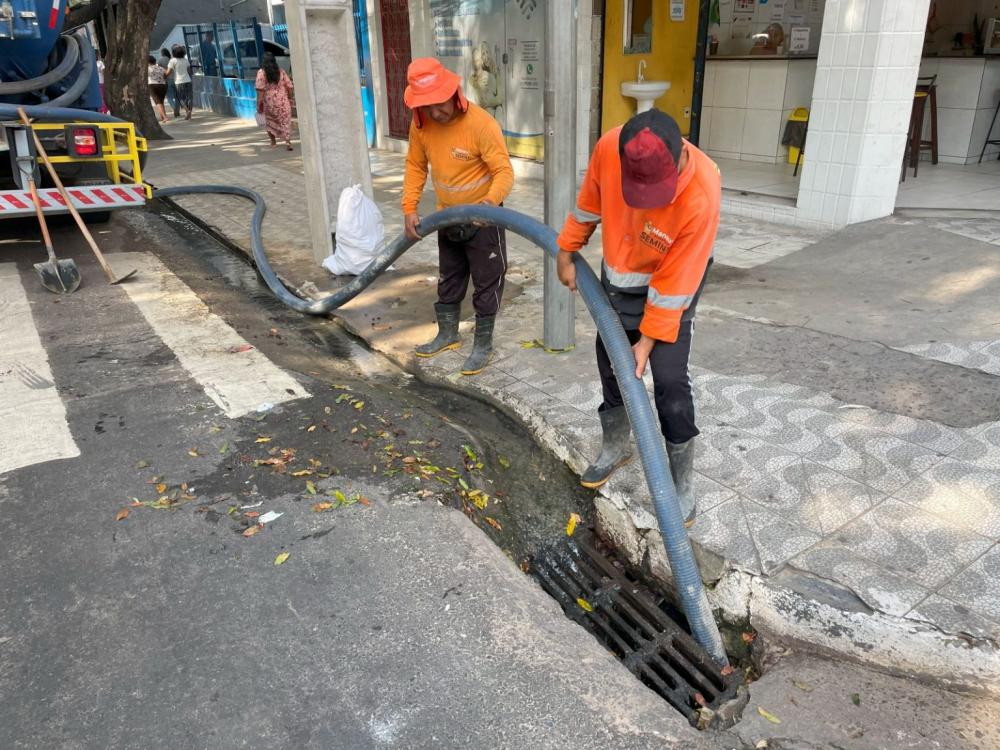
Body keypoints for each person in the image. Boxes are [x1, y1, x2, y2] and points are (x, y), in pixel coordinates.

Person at [555, 109, 721, 525]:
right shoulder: (611, 148)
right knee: (612, 364)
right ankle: (616, 443)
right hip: (619, 279)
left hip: (673, 288)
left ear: (681, 154)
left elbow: (674, 282)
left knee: (669, 381)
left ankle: (681, 480)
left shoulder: (702, 190)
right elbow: (589, 206)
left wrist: (646, 342)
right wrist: (565, 249)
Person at [401, 57, 514, 376]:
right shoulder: (421, 123)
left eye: (439, 103)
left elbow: (504, 171)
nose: (436, 112)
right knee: (449, 277)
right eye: (427, 106)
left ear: (453, 93)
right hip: (446, 217)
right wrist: (409, 207)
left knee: (487, 280)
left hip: (483, 217)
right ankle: (448, 334)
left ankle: (482, 344)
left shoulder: (480, 124)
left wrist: (490, 202)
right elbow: (415, 166)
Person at [255, 52, 294, 150]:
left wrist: (258, 103)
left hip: (269, 103)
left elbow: (260, 90)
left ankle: (273, 142)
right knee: (285, 121)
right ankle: (288, 142)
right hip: (283, 101)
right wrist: (290, 97)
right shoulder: (281, 72)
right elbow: (289, 86)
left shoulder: (261, 73)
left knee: (269, 122)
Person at [166, 46, 193, 120]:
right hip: (188, 80)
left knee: (180, 97)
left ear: (174, 53)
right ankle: (190, 112)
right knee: (189, 97)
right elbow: (189, 71)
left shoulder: (172, 61)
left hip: (179, 81)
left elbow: (168, 72)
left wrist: (163, 76)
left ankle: (187, 111)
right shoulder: (185, 60)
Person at [147, 55, 169, 123]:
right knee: (161, 101)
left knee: (158, 102)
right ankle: (162, 116)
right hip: (163, 85)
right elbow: (166, 74)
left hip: (153, 85)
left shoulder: (148, 68)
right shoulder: (160, 68)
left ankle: (165, 117)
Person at [159, 48, 177, 116]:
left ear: (162, 53)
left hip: (167, 79)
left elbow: (159, 70)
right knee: (176, 96)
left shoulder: (160, 60)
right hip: (174, 79)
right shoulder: (171, 59)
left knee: (169, 97)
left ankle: (175, 109)